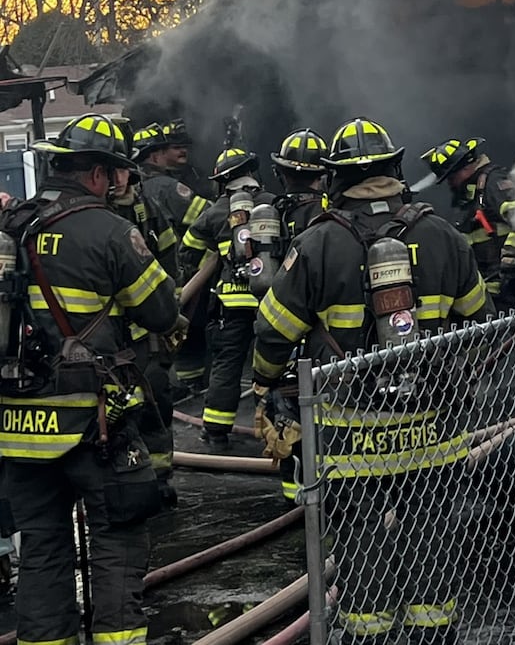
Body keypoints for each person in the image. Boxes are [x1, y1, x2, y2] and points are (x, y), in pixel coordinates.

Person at [252, 116, 494, 645]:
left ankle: (367, 635)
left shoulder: (317, 243)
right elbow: (483, 321)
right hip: (433, 427)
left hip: (348, 431)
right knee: (431, 534)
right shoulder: (442, 234)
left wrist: (266, 384)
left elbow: (272, 331)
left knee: (361, 541)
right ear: (394, 168)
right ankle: (435, 635)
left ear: (336, 178)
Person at [0, 113, 179, 645]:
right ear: (99, 175)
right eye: (119, 174)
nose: (124, 184)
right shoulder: (110, 230)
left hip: (18, 427)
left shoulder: (12, 229)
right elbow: (163, 312)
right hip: (95, 424)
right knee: (117, 541)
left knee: (42, 549)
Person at [112, 123, 181, 505]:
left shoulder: (144, 207)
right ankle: (127, 480)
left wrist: (171, 306)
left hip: (147, 328)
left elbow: (168, 256)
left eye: (124, 171)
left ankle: (160, 477)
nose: (120, 180)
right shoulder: (96, 214)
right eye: (113, 171)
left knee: (157, 400)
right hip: (108, 332)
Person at [179, 147, 265, 450]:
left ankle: (215, 430)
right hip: (270, 303)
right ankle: (271, 427)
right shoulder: (272, 205)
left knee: (227, 365)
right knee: (271, 366)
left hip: (231, 304)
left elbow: (187, 250)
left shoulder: (216, 212)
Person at [266, 128, 328, 502]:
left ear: (282, 173)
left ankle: (295, 499)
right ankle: (317, 496)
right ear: (323, 174)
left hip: (280, 325)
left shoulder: (270, 212)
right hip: (323, 333)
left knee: (285, 412)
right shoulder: (333, 216)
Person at [134, 123, 210, 390]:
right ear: (154, 156)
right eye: (170, 147)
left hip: (145, 277)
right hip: (179, 271)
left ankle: (181, 381)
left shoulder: (136, 189)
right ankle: (194, 383)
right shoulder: (167, 187)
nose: (180, 150)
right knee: (194, 324)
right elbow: (207, 216)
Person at [420, 137, 515, 312]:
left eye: (452, 177)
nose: (450, 183)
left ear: (465, 168)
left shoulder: (492, 184)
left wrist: (511, 253)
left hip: (512, 286)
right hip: (491, 288)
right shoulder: (469, 196)